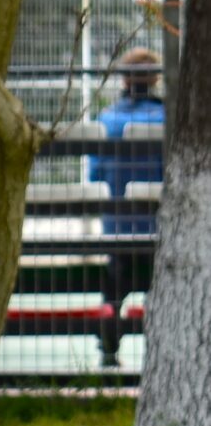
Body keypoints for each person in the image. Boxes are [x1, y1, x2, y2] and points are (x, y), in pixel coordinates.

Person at [88, 47, 164, 366]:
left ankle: (109, 348)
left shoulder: (107, 120)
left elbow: (95, 173)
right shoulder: (169, 118)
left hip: (118, 230)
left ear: (124, 80)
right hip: (159, 231)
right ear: (156, 79)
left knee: (115, 285)